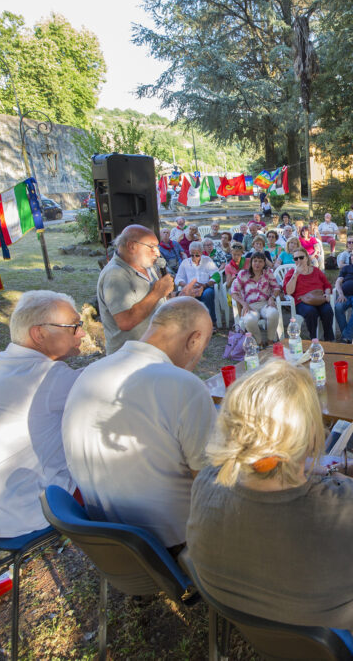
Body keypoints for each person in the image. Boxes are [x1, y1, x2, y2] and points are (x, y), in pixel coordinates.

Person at [187, 360, 353, 661]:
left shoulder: (206, 485)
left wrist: (334, 472)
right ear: (311, 437)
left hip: (259, 625)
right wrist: (341, 483)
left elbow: (268, 474)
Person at [63, 297, 216, 553]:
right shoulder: (184, 385)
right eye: (205, 344)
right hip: (174, 544)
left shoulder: (88, 374)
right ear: (194, 339)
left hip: (105, 542)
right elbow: (210, 484)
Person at [0, 290, 85, 539]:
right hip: (24, 513)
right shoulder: (49, 375)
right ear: (39, 334)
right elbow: (108, 387)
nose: (81, 333)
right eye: (74, 327)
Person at [97, 224, 177, 354]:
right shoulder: (115, 275)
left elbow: (156, 303)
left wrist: (181, 295)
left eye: (157, 246)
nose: (157, 252)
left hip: (152, 351)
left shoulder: (146, 266)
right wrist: (157, 292)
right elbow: (125, 322)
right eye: (151, 247)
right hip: (129, 358)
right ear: (131, 246)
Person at [230, 251, 282, 346]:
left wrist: (272, 297)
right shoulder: (243, 274)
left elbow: (276, 287)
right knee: (249, 319)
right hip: (250, 305)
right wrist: (243, 304)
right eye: (255, 261)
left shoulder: (267, 272)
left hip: (265, 303)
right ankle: (259, 342)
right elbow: (234, 292)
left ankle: (270, 340)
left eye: (260, 261)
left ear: (264, 263)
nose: (257, 263)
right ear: (251, 262)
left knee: (273, 313)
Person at [283, 249, 334, 339]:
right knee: (311, 312)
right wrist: (296, 274)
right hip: (302, 301)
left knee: (328, 311)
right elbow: (289, 291)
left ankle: (328, 338)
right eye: (296, 259)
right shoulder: (291, 273)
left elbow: (327, 285)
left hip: (319, 298)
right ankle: (313, 338)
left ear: (307, 258)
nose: (299, 260)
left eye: (301, 257)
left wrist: (327, 294)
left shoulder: (316, 271)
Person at [175, 241, 219, 323]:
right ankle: (193, 324)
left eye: (197, 255)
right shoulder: (185, 263)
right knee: (187, 296)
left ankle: (211, 323)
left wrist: (205, 285)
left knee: (208, 294)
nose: (194, 257)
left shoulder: (207, 260)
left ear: (201, 253)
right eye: (192, 255)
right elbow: (178, 278)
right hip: (191, 289)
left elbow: (216, 275)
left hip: (206, 287)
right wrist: (188, 285)